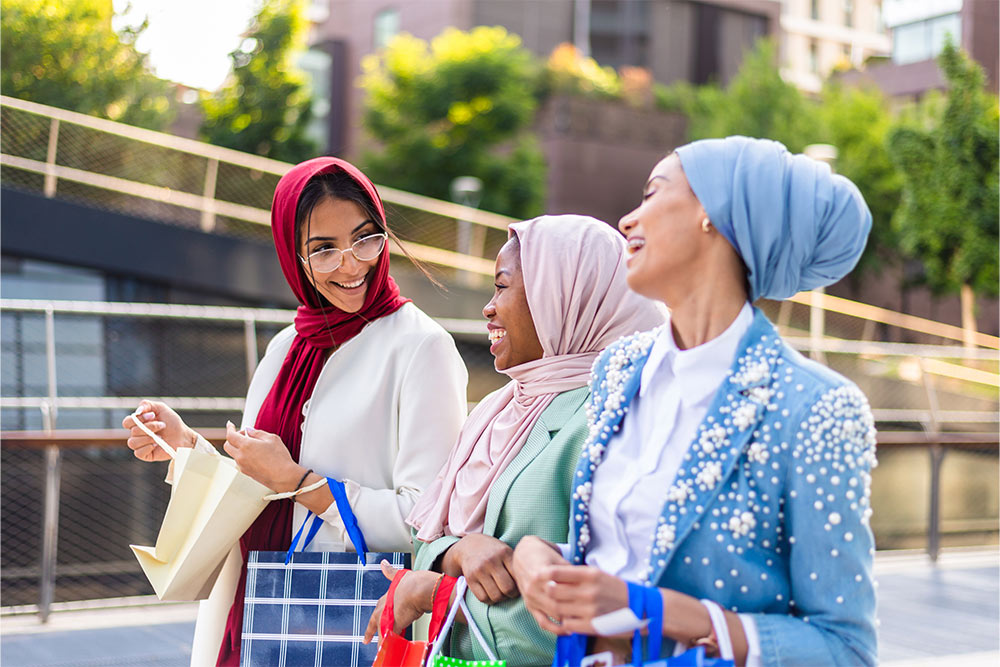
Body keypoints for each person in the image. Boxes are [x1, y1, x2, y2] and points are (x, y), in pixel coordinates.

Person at [511, 137, 879, 666]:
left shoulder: (815, 408)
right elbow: (620, 561)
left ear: (713, 212)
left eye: (651, 194)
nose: (627, 220)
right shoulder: (618, 371)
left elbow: (846, 649)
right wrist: (536, 556)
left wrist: (663, 613)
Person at [122, 157, 468, 666]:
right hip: (253, 608)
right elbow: (260, 486)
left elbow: (428, 525)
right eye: (323, 250)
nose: (350, 265)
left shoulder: (422, 348)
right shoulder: (286, 346)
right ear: (293, 256)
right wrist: (187, 448)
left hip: (353, 621)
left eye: (365, 238)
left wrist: (302, 482)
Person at [363, 215, 666, 664]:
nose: (488, 308)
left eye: (502, 287)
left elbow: (608, 596)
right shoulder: (497, 409)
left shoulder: (612, 417)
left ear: (564, 297)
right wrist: (458, 553)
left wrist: (439, 595)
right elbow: (429, 533)